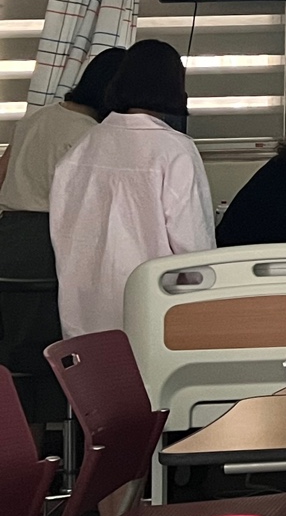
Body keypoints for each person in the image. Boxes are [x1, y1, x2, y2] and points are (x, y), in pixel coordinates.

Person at [49, 40, 216, 337]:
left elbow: (62, 232)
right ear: (175, 86)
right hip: (155, 311)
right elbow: (193, 248)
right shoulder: (174, 150)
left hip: (83, 312)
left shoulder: (82, 147)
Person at [0, 48, 127, 419]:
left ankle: (25, 445)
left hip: (9, 237)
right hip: (47, 245)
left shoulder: (37, 118)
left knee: (14, 355)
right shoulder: (89, 135)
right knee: (49, 354)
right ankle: (59, 443)